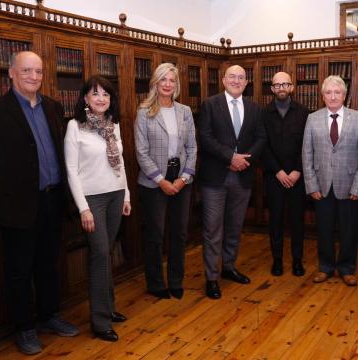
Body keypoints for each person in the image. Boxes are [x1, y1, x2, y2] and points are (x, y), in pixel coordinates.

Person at [0, 51, 79, 355]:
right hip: (16, 206)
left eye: (38, 71)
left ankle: (49, 316)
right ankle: (24, 328)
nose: (34, 76)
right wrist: (3, 190)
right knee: (18, 270)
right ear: (12, 74)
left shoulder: (54, 108)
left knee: (48, 264)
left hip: (53, 200)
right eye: (27, 71)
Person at [64, 75, 131, 342]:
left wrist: (126, 195)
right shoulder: (75, 127)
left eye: (105, 94)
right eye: (95, 94)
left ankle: (109, 307)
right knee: (101, 253)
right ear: (85, 99)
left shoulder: (113, 125)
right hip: (92, 200)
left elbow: (121, 163)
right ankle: (100, 321)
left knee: (106, 253)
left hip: (115, 195)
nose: (101, 98)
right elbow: (71, 170)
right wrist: (83, 208)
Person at [198, 65, 266, 299]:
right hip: (215, 177)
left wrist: (244, 160)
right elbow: (205, 138)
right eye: (232, 77)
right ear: (223, 80)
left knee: (235, 228)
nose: (236, 81)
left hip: (243, 175)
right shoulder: (210, 104)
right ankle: (211, 278)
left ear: (246, 83)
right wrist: (230, 157)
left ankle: (228, 267)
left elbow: (261, 138)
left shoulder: (254, 108)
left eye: (241, 78)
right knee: (212, 230)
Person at [135, 63, 197, 300]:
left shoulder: (185, 112)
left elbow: (192, 147)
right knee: (155, 234)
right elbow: (141, 152)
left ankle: (175, 280)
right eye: (163, 80)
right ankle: (156, 282)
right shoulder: (144, 112)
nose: (168, 84)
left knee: (179, 233)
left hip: (181, 179)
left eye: (171, 80)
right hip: (153, 183)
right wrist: (161, 181)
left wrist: (184, 177)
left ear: (176, 84)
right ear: (155, 83)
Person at [302, 75, 358, 287]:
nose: (333, 96)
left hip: (349, 185)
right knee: (324, 229)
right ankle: (326, 267)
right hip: (321, 185)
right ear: (322, 96)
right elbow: (307, 154)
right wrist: (311, 185)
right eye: (328, 93)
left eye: (337, 92)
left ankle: (347, 269)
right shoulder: (312, 119)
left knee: (349, 230)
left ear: (344, 95)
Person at [262, 71, 309, 277]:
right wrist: (278, 171)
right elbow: (262, 146)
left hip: (298, 177)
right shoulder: (263, 113)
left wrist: (298, 170)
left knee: (297, 221)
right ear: (272, 89)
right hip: (274, 176)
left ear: (291, 87)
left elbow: (307, 145)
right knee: (276, 221)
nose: (281, 88)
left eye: (285, 84)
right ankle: (277, 261)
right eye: (277, 85)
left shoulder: (304, 113)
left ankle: (297, 261)